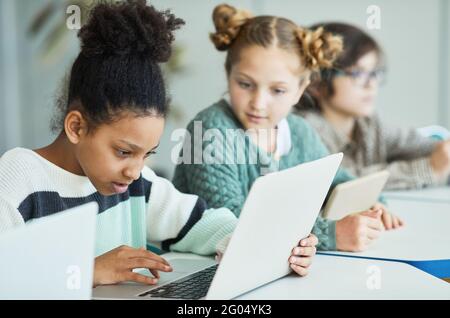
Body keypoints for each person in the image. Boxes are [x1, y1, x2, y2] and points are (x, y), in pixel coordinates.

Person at [0, 0, 316, 286]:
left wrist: (258, 244)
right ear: (77, 126)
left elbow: (204, 223)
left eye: (146, 154)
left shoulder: (138, 185)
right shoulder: (19, 179)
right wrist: (88, 270)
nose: (135, 170)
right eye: (124, 152)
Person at [173, 4, 403, 255]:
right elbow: (232, 223)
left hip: (269, 266)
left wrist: (372, 205)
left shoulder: (298, 130)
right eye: (245, 84)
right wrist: (331, 234)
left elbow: (337, 180)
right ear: (228, 73)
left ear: (301, 89)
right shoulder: (208, 131)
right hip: (203, 268)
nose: (258, 103)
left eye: (278, 90)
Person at [295, 22, 450, 190]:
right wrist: (428, 169)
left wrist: (443, 154)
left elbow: (417, 145)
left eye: (374, 73)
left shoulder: (368, 123)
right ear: (317, 83)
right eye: (357, 73)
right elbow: (342, 180)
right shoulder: (304, 129)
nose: (371, 84)